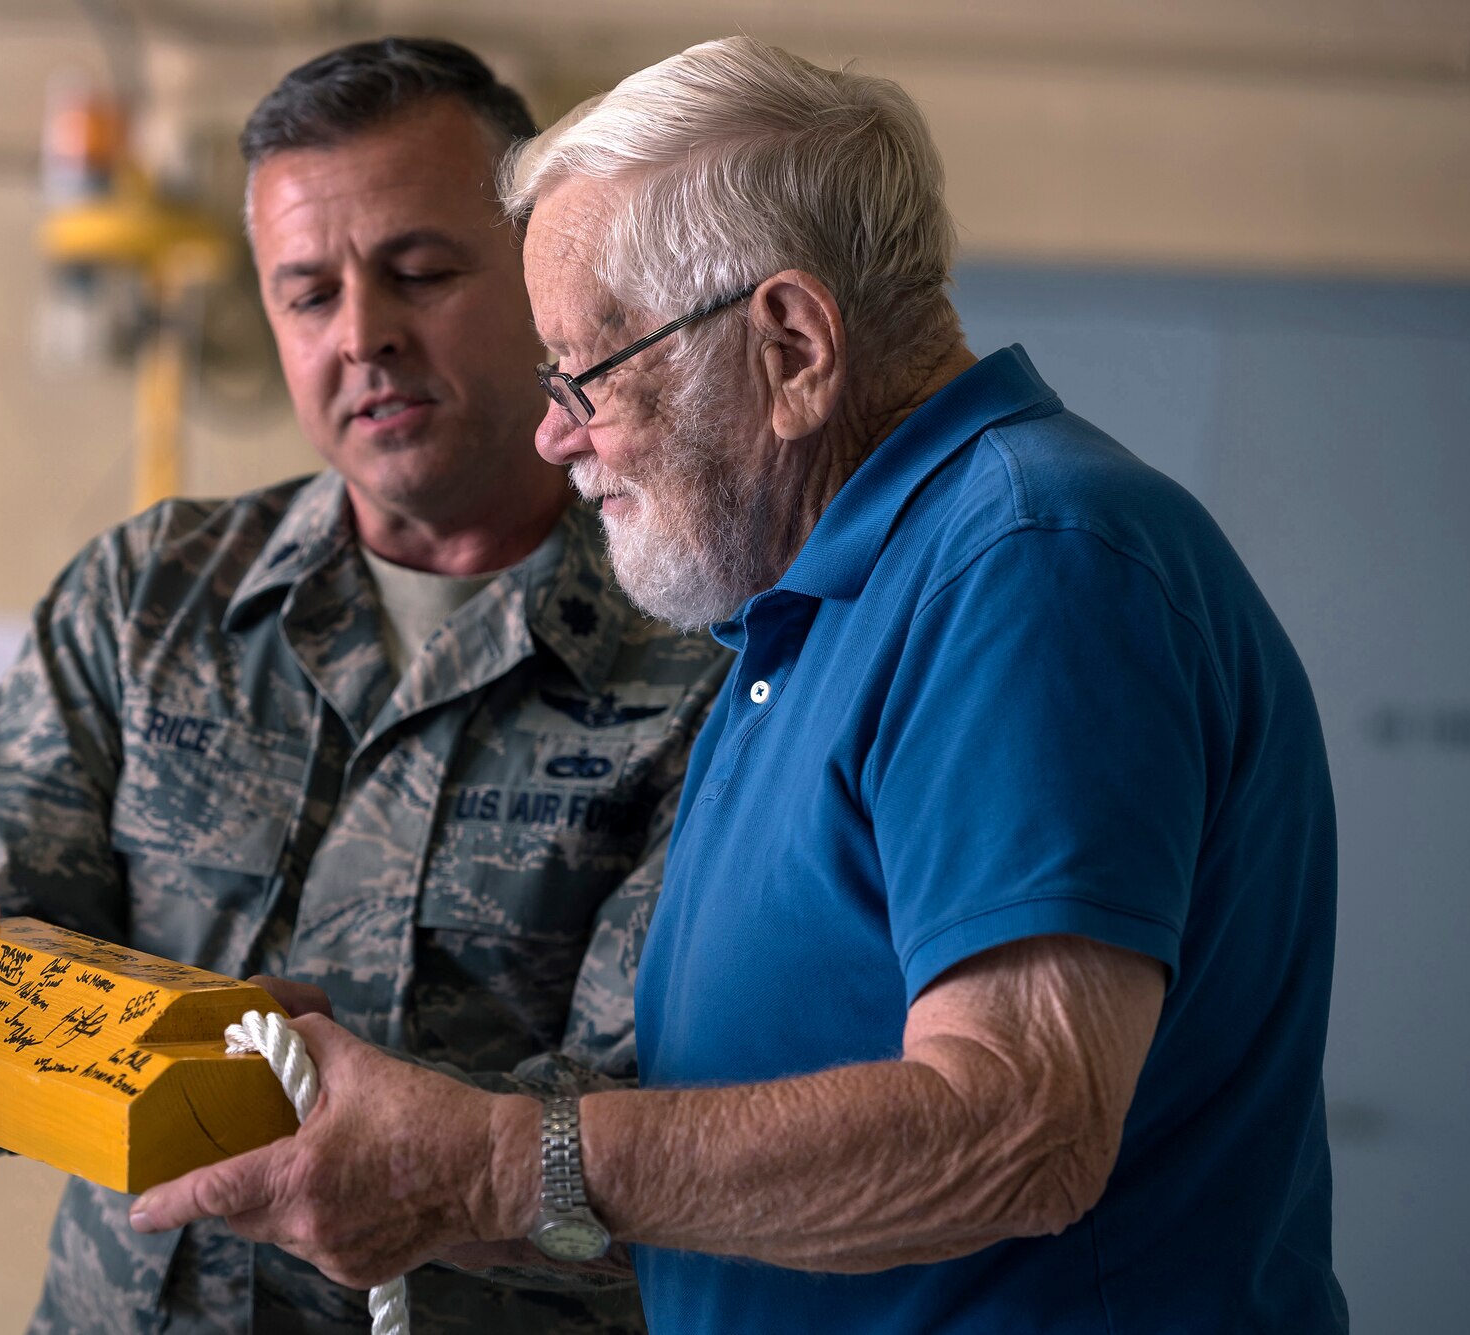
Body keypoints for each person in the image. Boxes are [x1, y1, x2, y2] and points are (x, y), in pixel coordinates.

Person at [127, 36, 1348, 1335]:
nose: (555, 435)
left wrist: (495, 1163)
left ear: (793, 344)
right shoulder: (811, 608)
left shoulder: (1030, 564)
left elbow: (1020, 1126)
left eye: (586, 374)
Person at [0, 37, 729, 1335]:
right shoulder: (149, 598)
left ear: (540, 273)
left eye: (420, 271)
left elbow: (658, 1135)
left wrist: (100, 1042)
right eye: (306, 295)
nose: (364, 336)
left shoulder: (699, 651)